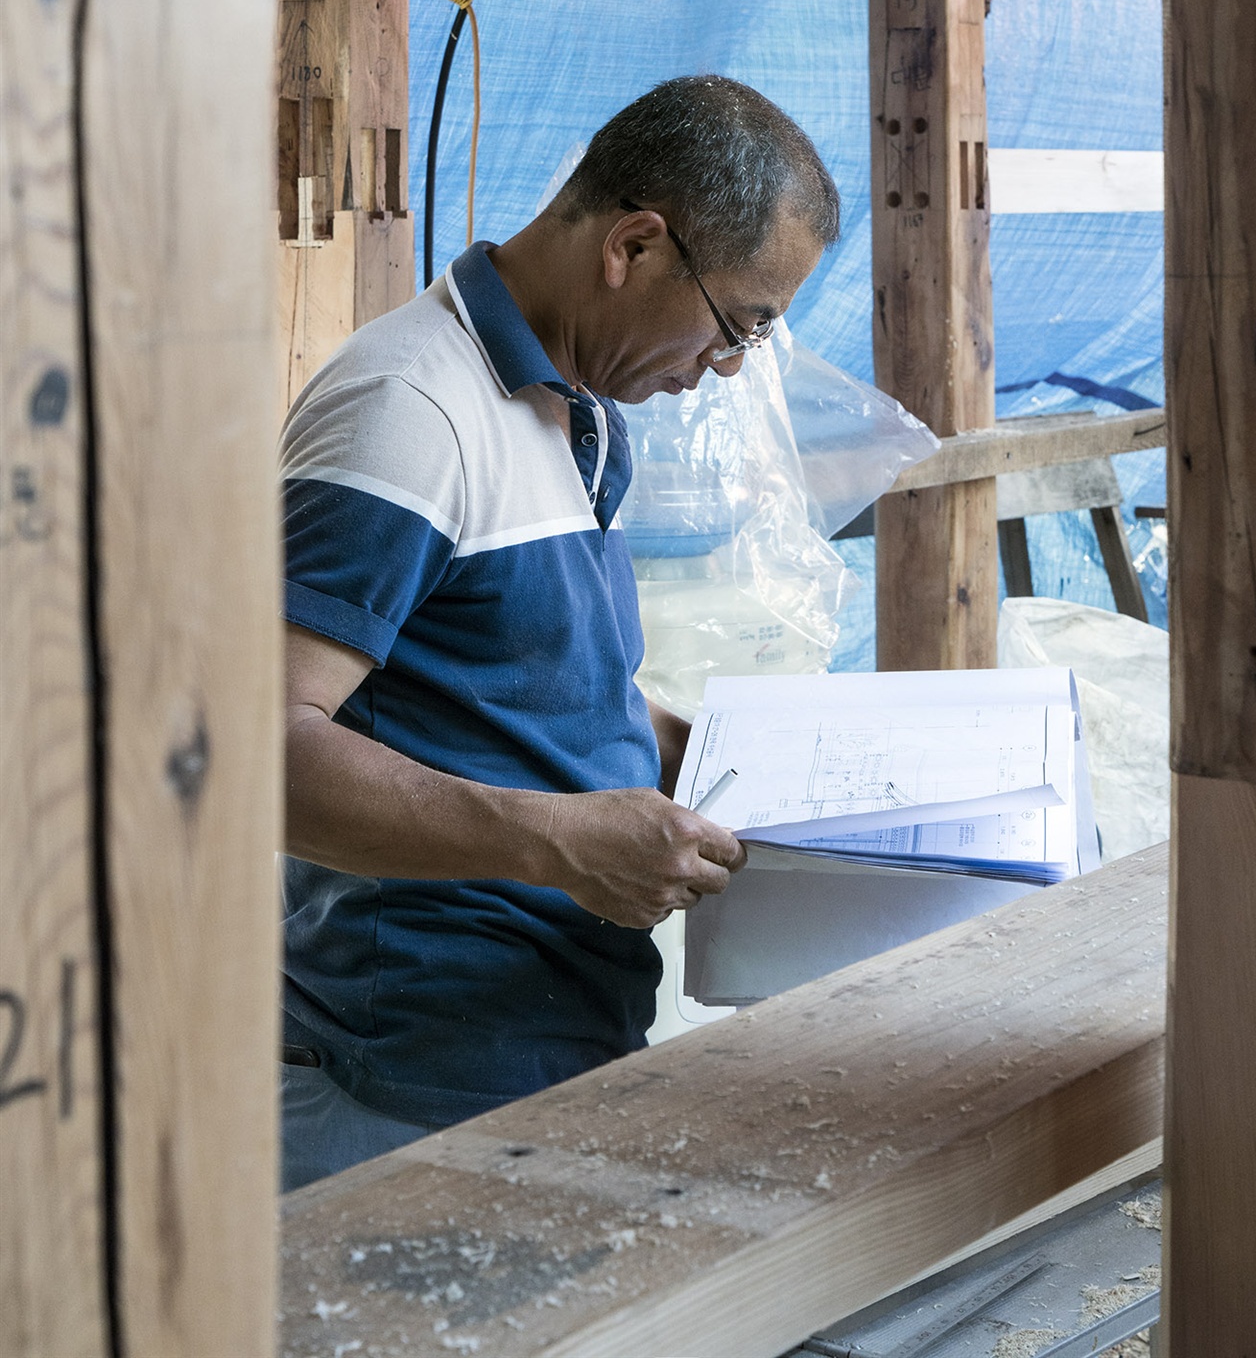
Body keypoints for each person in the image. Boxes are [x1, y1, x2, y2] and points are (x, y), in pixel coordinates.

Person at [279, 74, 840, 1189]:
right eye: (738, 325)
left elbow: (519, 667)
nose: (724, 368)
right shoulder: (409, 410)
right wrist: (557, 840)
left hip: (547, 1033)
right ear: (633, 245)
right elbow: (248, 755)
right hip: (414, 1072)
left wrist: (701, 747)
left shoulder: (578, 409)